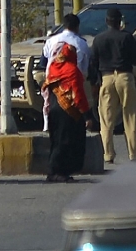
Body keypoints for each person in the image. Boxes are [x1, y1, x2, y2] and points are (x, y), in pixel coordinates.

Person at [92, 8, 136, 164]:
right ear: (120, 22)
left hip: (106, 78)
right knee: (131, 116)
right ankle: (134, 154)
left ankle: (108, 154)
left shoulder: (98, 39)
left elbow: (93, 63)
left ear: (106, 22)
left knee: (106, 119)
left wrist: (95, 83)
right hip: (125, 77)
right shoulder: (126, 37)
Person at [44, 43, 95, 183]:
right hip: (68, 112)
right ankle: (58, 172)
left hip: (54, 110)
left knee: (56, 141)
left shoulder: (53, 68)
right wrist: (87, 115)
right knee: (66, 142)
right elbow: (78, 95)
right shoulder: (72, 71)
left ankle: (56, 171)